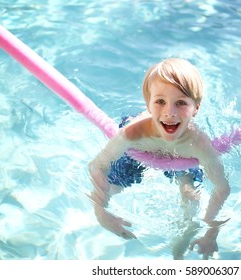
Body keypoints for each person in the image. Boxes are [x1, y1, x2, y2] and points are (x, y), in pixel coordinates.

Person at [88, 58, 230, 259]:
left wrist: (211, 230)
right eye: (160, 101)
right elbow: (97, 166)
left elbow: (222, 188)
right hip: (138, 152)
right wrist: (101, 212)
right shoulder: (133, 134)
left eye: (181, 103)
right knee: (112, 188)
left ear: (196, 108)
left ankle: (179, 251)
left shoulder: (198, 145)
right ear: (148, 105)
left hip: (183, 157)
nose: (169, 113)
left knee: (191, 196)